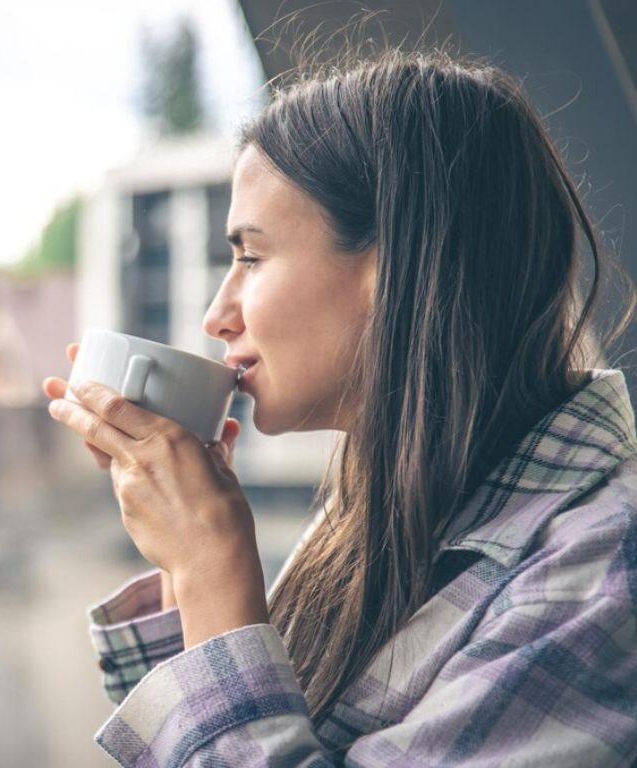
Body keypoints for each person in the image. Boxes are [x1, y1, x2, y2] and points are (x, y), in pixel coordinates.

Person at [43, 48, 637, 766]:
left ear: (393, 268)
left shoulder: (603, 575)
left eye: (251, 258)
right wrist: (182, 553)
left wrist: (212, 565)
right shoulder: (386, 500)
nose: (216, 315)